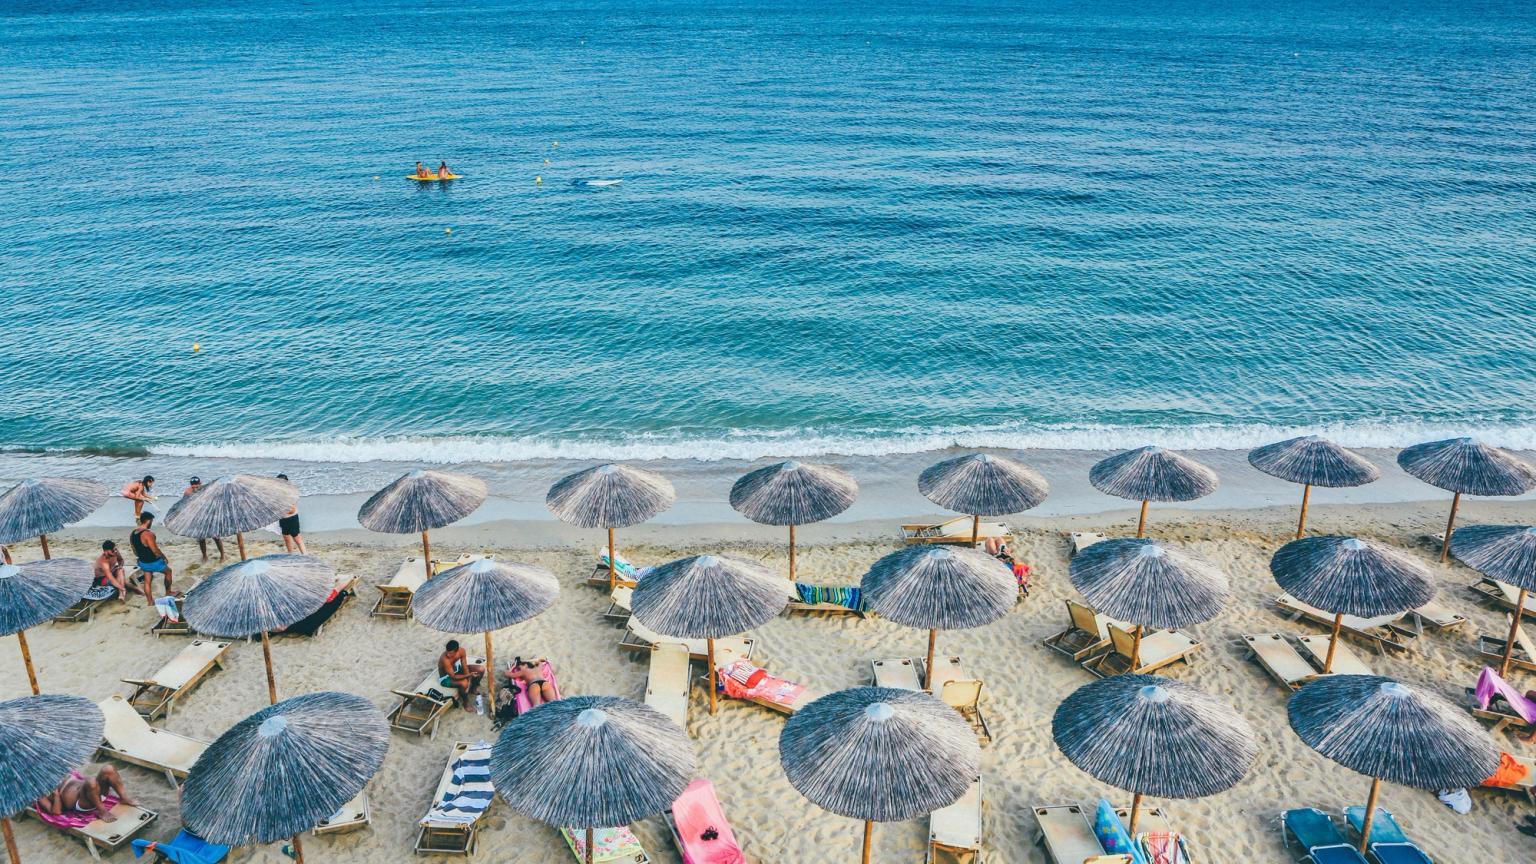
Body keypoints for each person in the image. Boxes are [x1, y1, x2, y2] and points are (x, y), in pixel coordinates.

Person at [35, 766, 135, 823]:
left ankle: (123, 797)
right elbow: (56, 812)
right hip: (82, 802)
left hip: (94, 792)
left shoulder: (56, 771)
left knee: (108, 769)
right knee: (91, 782)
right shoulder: (40, 792)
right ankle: (102, 811)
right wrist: (56, 795)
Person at [129, 512, 173, 603]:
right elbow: (155, 550)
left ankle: (150, 601)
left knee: (147, 581)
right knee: (168, 572)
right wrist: (164, 558)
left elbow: (133, 549)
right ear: (148, 520)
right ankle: (168, 592)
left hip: (143, 562)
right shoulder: (148, 534)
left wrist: (140, 557)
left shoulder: (133, 533)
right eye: (151, 521)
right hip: (153, 562)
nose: (152, 523)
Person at [182, 477, 225, 562]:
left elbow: (215, 502)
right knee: (201, 539)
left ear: (200, 484)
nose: (195, 488)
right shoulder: (188, 492)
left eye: (197, 487)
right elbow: (184, 504)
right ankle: (204, 555)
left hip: (209, 516)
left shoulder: (207, 490)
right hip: (197, 517)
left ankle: (222, 555)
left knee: (216, 537)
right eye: (193, 487)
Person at [438, 640, 484, 712]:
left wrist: (469, 679)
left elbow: (464, 665)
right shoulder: (445, 659)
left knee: (481, 669)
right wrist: (469, 675)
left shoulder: (461, 651)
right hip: (446, 677)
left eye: (450, 653)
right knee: (464, 683)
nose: (448, 654)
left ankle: (473, 689)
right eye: (447, 651)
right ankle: (466, 703)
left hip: (457, 669)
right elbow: (453, 676)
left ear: (457, 651)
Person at [275, 474, 306, 554]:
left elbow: (292, 510)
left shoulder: (290, 493)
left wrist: (279, 510)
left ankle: (305, 555)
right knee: (287, 539)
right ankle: (290, 555)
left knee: (297, 539)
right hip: (283, 519)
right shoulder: (278, 494)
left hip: (292, 518)